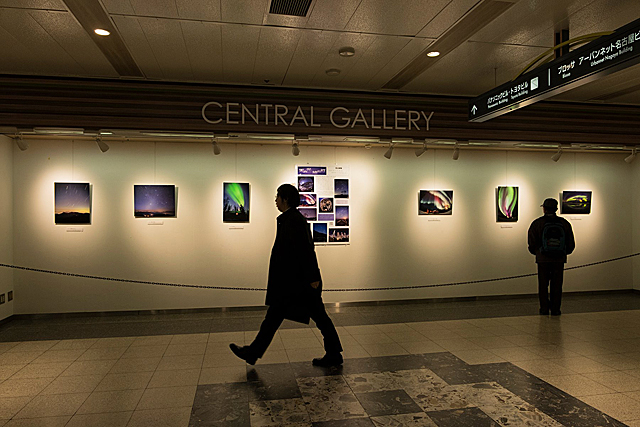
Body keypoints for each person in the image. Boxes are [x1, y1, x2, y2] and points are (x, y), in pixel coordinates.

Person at [230, 183, 343, 367]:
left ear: (286, 199)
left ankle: (334, 353)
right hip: (292, 283)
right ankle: (253, 352)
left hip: (300, 284)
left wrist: (313, 278)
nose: (275, 200)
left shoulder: (295, 221)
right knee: (275, 318)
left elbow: (306, 250)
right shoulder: (289, 219)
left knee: (318, 318)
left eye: (278, 196)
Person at [527, 198, 575, 316]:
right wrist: (563, 253)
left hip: (543, 259)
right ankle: (555, 309)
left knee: (543, 286)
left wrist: (539, 253)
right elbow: (570, 244)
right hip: (559, 260)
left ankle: (544, 309)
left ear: (544, 208)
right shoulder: (564, 223)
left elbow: (531, 243)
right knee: (557, 285)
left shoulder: (537, 223)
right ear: (556, 209)